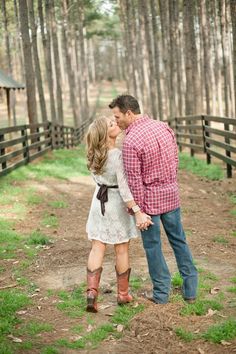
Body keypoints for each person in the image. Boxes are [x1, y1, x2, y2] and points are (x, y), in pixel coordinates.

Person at [109, 95, 198, 304]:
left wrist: (137, 210)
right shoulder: (163, 127)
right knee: (179, 240)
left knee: (153, 247)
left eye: (118, 116)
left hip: (149, 203)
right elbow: (175, 160)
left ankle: (161, 294)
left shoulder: (130, 141)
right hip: (171, 195)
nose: (117, 121)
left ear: (129, 113)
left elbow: (135, 181)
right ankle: (191, 289)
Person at [85, 116, 153, 313]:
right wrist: (137, 210)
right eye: (111, 125)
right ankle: (123, 295)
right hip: (114, 203)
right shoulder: (117, 156)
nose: (116, 124)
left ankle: (91, 293)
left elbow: (98, 179)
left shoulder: (93, 154)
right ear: (106, 134)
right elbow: (124, 189)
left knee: (97, 248)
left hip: (98, 202)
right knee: (121, 249)